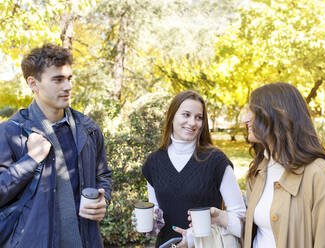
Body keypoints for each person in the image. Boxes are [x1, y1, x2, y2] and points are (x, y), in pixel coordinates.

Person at [0, 44, 112, 248]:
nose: (68, 87)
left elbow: (103, 175)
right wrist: (31, 160)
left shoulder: (88, 129)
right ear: (33, 83)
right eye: (58, 80)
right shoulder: (10, 132)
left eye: (69, 78)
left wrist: (104, 199)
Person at [241, 82, 325, 248]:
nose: (246, 119)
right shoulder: (259, 170)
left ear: (274, 117)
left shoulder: (318, 173)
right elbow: (256, 229)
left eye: (253, 112)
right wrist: (223, 219)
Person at [132, 90, 246, 248]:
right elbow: (157, 216)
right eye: (186, 115)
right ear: (172, 117)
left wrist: (194, 239)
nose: (193, 123)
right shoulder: (154, 162)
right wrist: (149, 224)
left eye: (198, 117)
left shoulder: (216, 160)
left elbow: (241, 222)